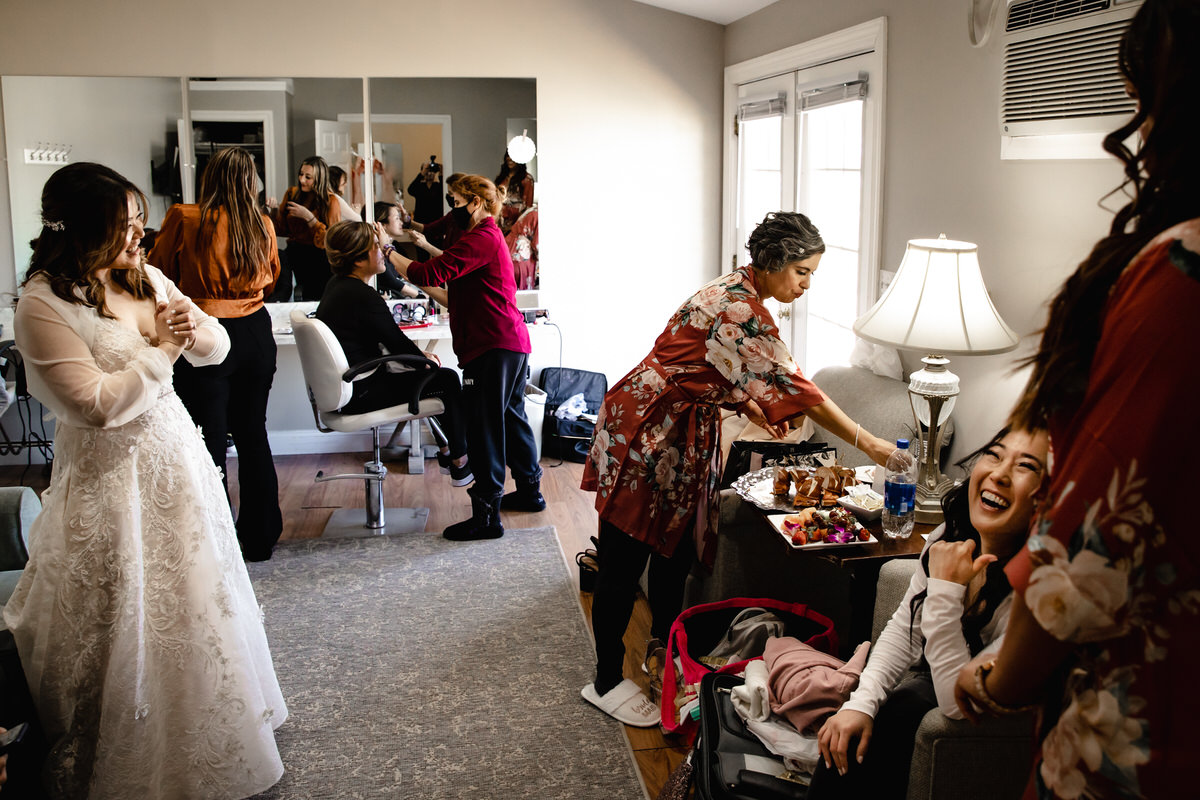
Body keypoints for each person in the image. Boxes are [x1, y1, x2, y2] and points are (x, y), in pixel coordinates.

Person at [951, 3, 1200, 797]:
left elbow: (1088, 549)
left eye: (1145, 97)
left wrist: (1000, 680)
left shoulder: (1180, 279)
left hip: (1150, 728)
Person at [2, 162, 287, 798]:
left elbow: (216, 348)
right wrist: (163, 351)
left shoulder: (145, 275)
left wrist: (195, 330)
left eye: (138, 220)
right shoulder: (44, 304)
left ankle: (217, 719)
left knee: (195, 596)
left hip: (176, 463)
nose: (140, 232)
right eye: (125, 224)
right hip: (109, 480)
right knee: (123, 605)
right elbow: (96, 406)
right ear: (80, 229)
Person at [578, 211, 895, 726]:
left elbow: (707, 363)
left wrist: (744, 406)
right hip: (649, 430)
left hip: (683, 426)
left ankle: (663, 651)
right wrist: (871, 443)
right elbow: (799, 389)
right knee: (623, 554)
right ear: (771, 264)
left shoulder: (740, 294)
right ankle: (606, 678)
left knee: (674, 547)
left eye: (812, 273)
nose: (807, 284)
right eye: (802, 272)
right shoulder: (740, 308)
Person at [811, 427, 1049, 798]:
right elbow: (904, 628)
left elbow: (958, 706)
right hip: (930, 682)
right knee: (850, 730)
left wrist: (945, 591)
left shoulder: (1036, 592)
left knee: (904, 712)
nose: (1000, 474)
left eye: (1027, 467)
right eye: (995, 454)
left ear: (1046, 500)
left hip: (976, 723)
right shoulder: (952, 533)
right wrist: (860, 705)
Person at [380, 174, 541, 541]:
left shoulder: (482, 237)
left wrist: (388, 251)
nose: (451, 207)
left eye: (455, 200)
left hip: (493, 346)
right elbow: (442, 260)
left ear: (476, 202)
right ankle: (530, 493)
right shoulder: (479, 235)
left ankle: (487, 517)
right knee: (511, 419)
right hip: (508, 342)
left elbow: (428, 271)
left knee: (484, 428)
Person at [147, 146, 284, 562]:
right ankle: (261, 536)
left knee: (209, 441)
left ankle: (218, 543)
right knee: (252, 432)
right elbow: (273, 279)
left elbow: (157, 271)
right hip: (256, 333)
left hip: (205, 335)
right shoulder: (262, 223)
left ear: (209, 178)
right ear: (252, 181)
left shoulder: (185, 219)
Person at [317, 220, 472, 486]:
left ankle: (448, 452)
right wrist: (425, 361)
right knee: (445, 379)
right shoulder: (364, 296)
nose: (382, 252)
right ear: (358, 259)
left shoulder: (336, 286)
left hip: (352, 388)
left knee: (432, 376)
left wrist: (421, 360)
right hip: (363, 392)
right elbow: (397, 344)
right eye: (376, 247)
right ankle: (461, 461)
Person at [270, 155, 341, 300]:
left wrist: (310, 218)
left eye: (308, 177)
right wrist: (273, 211)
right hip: (294, 253)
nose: (302, 179)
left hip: (318, 258)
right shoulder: (292, 194)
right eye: (301, 174)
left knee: (314, 298)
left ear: (319, 178)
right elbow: (282, 229)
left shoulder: (330, 201)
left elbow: (331, 240)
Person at [493, 150, 534, 236]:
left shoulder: (527, 179)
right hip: (499, 219)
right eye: (507, 156)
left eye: (513, 156)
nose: (509, 159)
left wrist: (517, 224)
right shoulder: (501, 178)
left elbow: (527, 206)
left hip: (516, 221)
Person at [407, 156, 444, 225]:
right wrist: (421, 174)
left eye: (432, 171)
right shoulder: (419, 186)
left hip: (436, 222)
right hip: (421, 222)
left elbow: (444, 192)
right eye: (427, 171)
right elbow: (410, 190)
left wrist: (441, 174)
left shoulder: (438, 186)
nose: (429, 173)